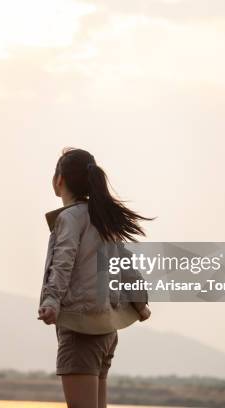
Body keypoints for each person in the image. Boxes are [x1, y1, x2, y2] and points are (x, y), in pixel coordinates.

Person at [38, 147, 153, 408]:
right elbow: (125, 263)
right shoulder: (103, 217)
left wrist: (51, 301)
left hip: (81, 328)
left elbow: (63, 261)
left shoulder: (70, 218)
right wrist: (139, 304)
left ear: (60, 180)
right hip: (106, 329)